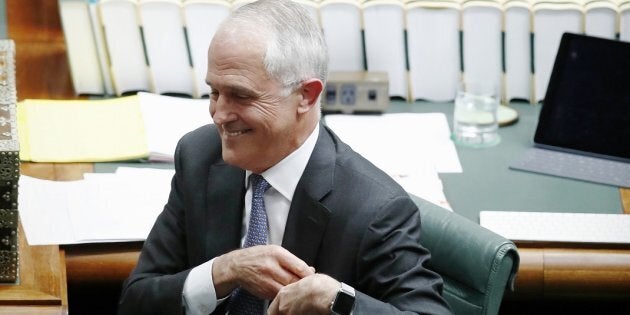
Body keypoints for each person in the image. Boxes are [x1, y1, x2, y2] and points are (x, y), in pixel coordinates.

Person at [118, 0, 452, 314]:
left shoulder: (374, 209)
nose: (219, 115)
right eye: (214, 92)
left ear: (306, 95)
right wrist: (222, 272)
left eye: (240, 96)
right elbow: (135, 300)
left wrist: (338, 301)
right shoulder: (199, 157)